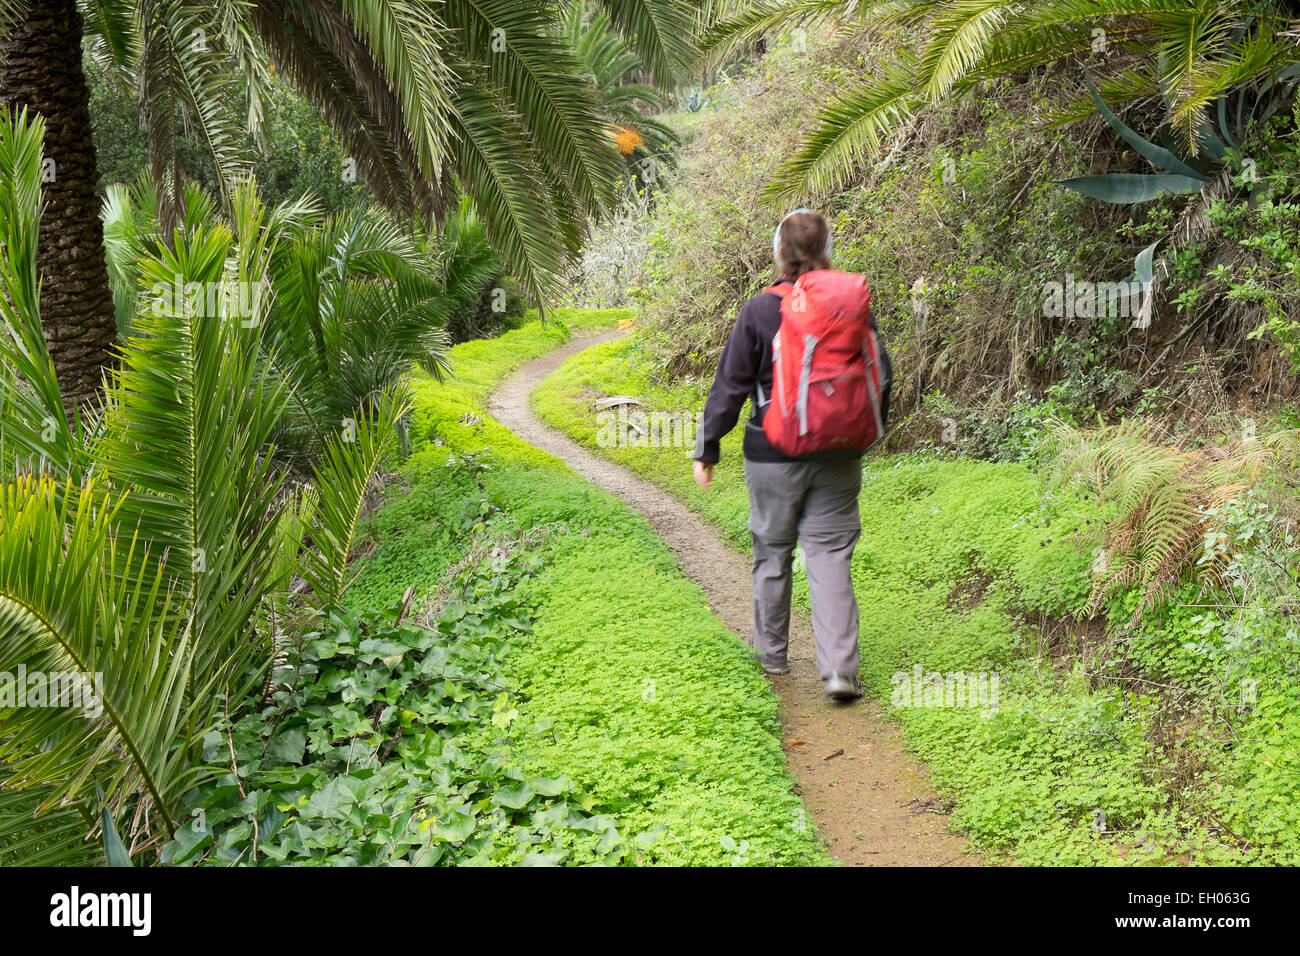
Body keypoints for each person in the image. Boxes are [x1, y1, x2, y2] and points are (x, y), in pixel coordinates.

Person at [692, 209, 880, 701]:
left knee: (772, 551)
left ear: (779, 253)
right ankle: (840, 670)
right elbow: (881, 372)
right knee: (830, 554)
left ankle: (772, 655)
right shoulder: (852, 306)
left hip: (772, 452)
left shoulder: (759, 310)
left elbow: (730, 385)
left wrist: (707, 446)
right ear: (828, 250)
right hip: (840, 452)